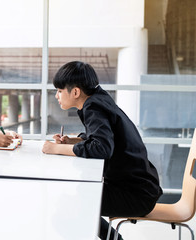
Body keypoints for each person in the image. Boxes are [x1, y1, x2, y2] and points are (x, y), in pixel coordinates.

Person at [42, 61, 163, 240]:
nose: (56, 96)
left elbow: (101, 149)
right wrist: (73, 141)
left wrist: (57, 149)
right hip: (140, 187)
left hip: (136, 195)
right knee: (78, 198)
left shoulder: (93, 107)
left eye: (59, 91)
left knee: (73, 206)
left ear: (75, 92)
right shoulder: (98, 99)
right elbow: (104, 138)